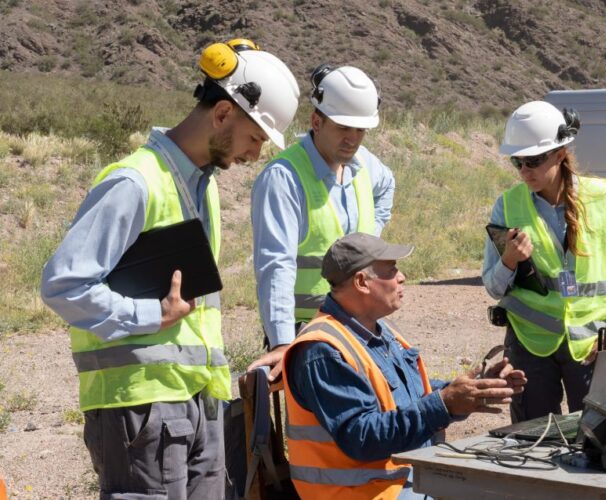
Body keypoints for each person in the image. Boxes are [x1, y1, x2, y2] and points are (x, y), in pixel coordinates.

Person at [40, 39, 299, 498]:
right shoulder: (134, 181)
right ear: (222, 115)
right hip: (141, 408)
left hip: (198, 401)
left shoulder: (204, 188)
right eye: (255, 138)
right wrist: (149, 316)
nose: (255, 155)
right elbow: (64, 283)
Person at [282, 232, 527, 499]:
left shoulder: (376, 329)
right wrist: (445, 404)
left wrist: (474, 389)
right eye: (391, 269)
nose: (401, 277)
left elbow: (407, 392)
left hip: (398, 480)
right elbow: (362, 437)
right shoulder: (323, 351)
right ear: (362, 282)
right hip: (360, 493)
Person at [482, 100, 606, 423]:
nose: (525, 171)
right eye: (518, 162)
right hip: (529, 345)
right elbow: (493, 286)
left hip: (590, 346)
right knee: (532, 442)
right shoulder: (507, 207)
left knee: (600, 439)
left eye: (534, 161)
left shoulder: (600, 199)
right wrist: (509, 261)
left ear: (559, 153)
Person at [248, 64, 396, 380]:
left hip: (358, 324)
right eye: (344, 128)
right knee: (315, 430)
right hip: (309, 332)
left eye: (361, 130)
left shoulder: (363, 164)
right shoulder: (284, 178)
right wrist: (284, 342)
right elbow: (275, 265)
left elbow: (387, 185)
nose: (353, 139)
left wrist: (372, 238)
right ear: (317, 121)